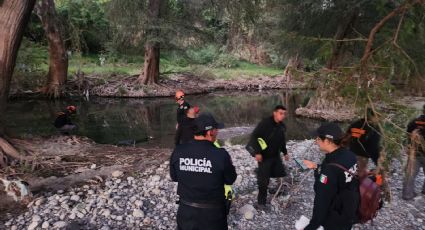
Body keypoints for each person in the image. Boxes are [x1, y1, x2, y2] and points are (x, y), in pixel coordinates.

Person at [170, 113, 237, 230]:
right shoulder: (221, 155)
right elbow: (230, 179)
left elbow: (174, 177)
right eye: (216, 129)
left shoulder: (179, 151)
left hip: (186, 213)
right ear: (210, 132)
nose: (217, 132)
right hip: (213, 216)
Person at [303, 122, 359, 230]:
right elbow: (339, 176)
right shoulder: (350, 155)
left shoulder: (330, 168)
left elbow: (321, 202)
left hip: (335, 218)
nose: (316, 142)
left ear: (328, 141)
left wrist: (311, 226)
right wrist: (316, 167)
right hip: (349, 209)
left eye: (318, 139)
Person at [248, 105, 289, 208]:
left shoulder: (282, 126)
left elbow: (282, 141)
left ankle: (277, 190)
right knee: (263, 180)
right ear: (274, 113)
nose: (283, 116)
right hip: (264, 156)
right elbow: (254, 136)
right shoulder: (265, 123)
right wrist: (257, 152)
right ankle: (261, 202)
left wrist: (285, 152)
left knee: (280, 172)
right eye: (281, 113)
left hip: (275, 155)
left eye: (284, 114)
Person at [345, 108, 381, 177]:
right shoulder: (374, 128)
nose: (379, 119)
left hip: (349, 154)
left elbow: (346, 139)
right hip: (362, 157)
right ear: (373, 116)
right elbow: (373, 147)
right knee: (359, 176)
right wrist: (377, 162)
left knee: (349, 174)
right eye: (378, 116)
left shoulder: (355, 124)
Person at [402, 104, 425, 200]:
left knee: (410, 174)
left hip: (414, 152)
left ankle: (407, 195)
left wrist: (407, 146)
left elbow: (407, 136)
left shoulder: (414, 122)